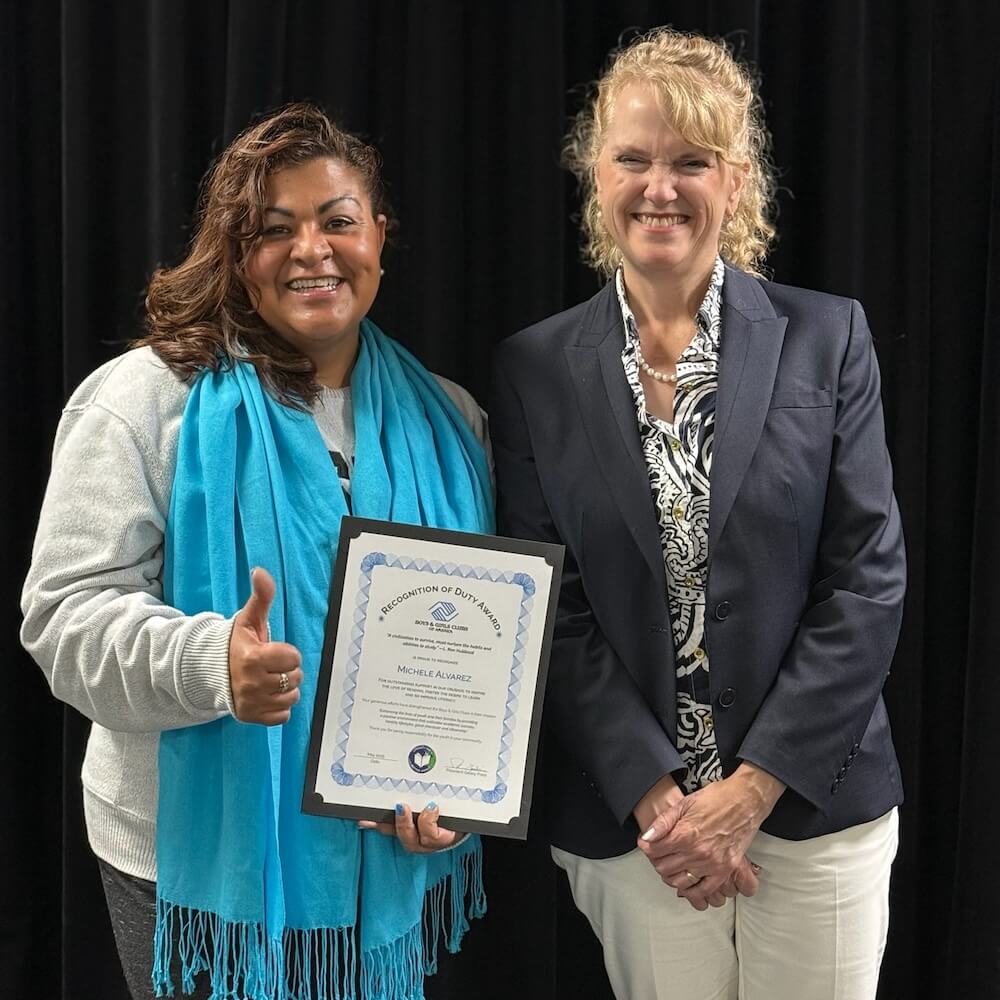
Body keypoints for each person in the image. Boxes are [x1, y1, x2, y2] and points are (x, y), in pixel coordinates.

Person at [21, 104, 493, 1000]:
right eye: (275, 231)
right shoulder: (145, 401)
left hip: (382, 859)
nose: (313, 249)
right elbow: (62, 618)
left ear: (380, 238)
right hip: (191, 867)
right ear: (238, 255)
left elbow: (470, 648)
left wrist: (459, 788)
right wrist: (210, 663)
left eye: (338, 221)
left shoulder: (453, 419)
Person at [488, 27, 905, 1000]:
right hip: (643, 834)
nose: (658, 187)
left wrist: (752, 788)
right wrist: (660, 799)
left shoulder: (826, 337)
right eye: (632, 158)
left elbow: (867, 577)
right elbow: (554, 605)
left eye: (690, 161)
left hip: (812, 805)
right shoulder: (534, 370)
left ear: (737, 177)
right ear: (596, 174)